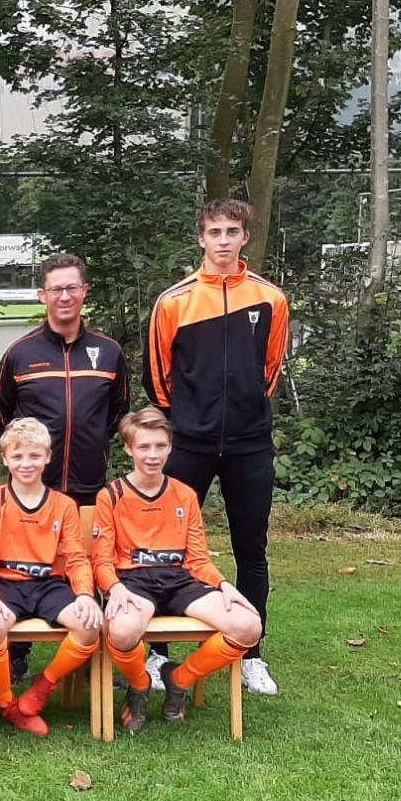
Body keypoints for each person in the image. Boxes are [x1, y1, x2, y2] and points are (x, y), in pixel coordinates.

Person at [144, 199, 289, 698]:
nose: (223, 240)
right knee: (165, 547)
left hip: (250, 443)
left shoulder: (270, 299)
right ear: (201, 238)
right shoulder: (173, 302)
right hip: (190, 443)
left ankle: (251, 654)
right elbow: (158, 378)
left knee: (252, 547)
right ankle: (157, 651)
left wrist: (242, 412)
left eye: (232, 231)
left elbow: (270, 370)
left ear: (245, 237)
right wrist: (191, 419)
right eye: (214, 232)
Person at [0, 252, 126, 683]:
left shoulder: (108, 351)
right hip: (33, 487)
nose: (64, 296)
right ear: (42, 295)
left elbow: (118, 411)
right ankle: (18, 651)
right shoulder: (20, 353)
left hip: (88, 480)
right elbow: (0, 414)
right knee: (23, 562)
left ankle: (97, 652)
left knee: (91, 561)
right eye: (55, 289)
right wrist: (28, 458)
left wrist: (92, 442)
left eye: (72, 288)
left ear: (85, 292)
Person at [93, 406, 264, 732]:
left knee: (248, 625)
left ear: (171, 447)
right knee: (123, 630)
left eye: (160, 446)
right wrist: (114, 588)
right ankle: (140, 684)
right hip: (133, 581)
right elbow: (101, 559)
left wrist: (223, 584)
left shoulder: (184, 495)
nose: (152, 455)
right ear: (129, 449)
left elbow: (198, 558)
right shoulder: (111, 496)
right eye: (144, 446)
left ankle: (180, 679)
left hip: (180, 580)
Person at [0, 418, 105, 738]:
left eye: (34, 455)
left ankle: (43, 686)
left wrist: (85, 594)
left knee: (89, 625)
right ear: (5, 459)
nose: (26, 463)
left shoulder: (63, 504)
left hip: (48, 584)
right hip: (5, 584)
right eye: (17, 456)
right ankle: (7, 703)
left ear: (47, 456)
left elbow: (76, 557)